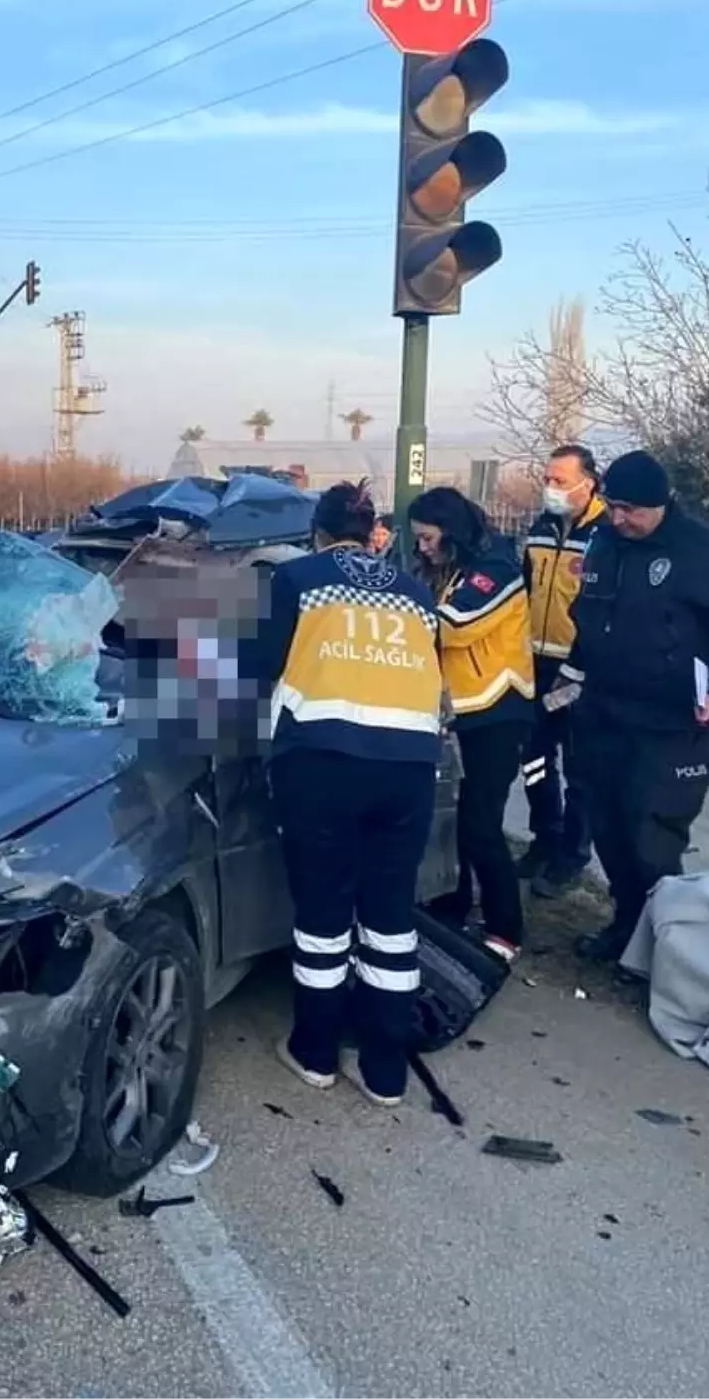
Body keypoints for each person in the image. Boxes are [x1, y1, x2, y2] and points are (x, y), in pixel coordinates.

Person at [259, 480, 443, 1107]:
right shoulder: (417, 593)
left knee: (324, 914)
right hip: (410, 769)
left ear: (317, 532)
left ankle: (315, 1051)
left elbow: (258, 665)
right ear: (372, 535)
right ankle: (385, 1070)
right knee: (390, 919)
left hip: (324, 763)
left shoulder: (299, 579)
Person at [557, 450, 709, 965]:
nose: (619, 518)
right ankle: (626, 927)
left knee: (652, 837)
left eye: (631, 510)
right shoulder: (605, 541)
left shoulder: (700, 551)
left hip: (671, 724)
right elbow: (587, 615)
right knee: (609, 827)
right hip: (604, 711)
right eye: (613, 506)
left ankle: (664, 953)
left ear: (661, 505)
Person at [409, 487, 535, 964]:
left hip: (498, 710)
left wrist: (396, 612)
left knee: (481, 824)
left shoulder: (496, 569)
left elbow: (455, 625)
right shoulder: (454, 567)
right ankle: (453, 907)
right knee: (454, 822)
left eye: (427, 537)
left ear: (451, 530)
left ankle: (505, 930)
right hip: (461, 710)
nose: (422, 547)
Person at [521, 445, 606, 898]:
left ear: (587, 483)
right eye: (548, 479)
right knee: (533, 758)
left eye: (559, 480)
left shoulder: (606, 534)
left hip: (581, 671)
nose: (550, 488)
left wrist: (579, 666)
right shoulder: (539, 529)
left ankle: (572, 854)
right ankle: (544, 836)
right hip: (534, 662)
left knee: (580, 767)